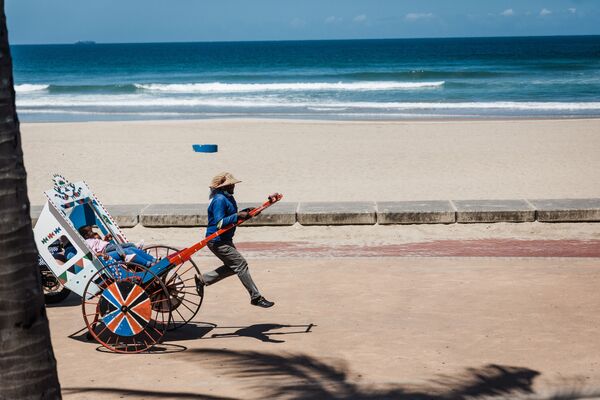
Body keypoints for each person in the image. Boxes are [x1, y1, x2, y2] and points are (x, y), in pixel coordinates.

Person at [200, 172, 276, 308]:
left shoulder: (228, 198)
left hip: (225, 239)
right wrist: (238, 215)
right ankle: (256, 297)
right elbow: (219, 223)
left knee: (233, 267)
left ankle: (203, 279)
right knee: (241, 264)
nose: (234, 186)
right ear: (223, 187)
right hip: (217, 240)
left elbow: (234, 215)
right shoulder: (219, 200)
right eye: (231, 184)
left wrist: (250, 211)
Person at [78, 225, 156, 267]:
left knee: (131, 247)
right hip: (104, 252)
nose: (93, 233)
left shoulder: (93, 239)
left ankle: (153, 260)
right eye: (90, 232)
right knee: (123, 249)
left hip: (107, 247)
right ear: (86, 236)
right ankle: (147, 263)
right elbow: (92, 253)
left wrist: (105, 239)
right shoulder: (88, 242)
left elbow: (101, 244)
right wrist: (101, 254)